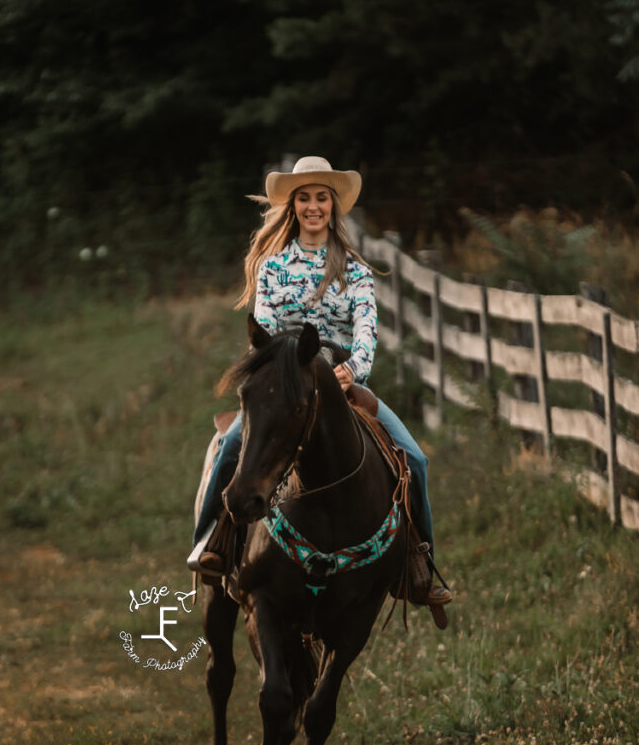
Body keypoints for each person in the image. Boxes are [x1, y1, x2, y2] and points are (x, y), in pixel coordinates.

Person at [187, 156, 451, 616]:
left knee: (414, 458)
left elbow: (367, 332)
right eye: (304, 198)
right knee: (230, 446)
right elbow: (264, 331)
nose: (313, 206)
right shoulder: (271, 268)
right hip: (284, 384)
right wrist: (284, 370)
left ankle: (417, 560)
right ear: (293, 207)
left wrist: (354, 370)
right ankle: (213, 541)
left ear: (333, 206)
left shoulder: (355, 271)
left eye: (321, 198)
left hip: (340, 383)